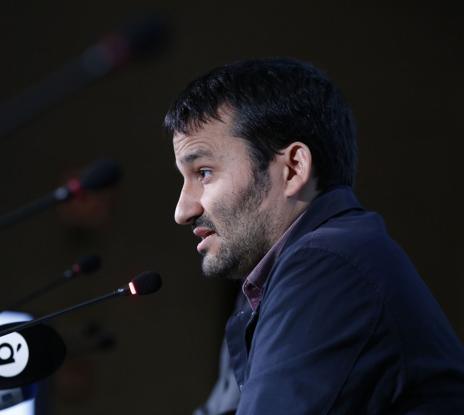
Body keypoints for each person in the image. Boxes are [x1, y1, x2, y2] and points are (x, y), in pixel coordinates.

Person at [165, 58, 464, 414]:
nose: (182, 211)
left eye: (204, 172)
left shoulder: (329, 264)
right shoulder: (267, 282)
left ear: (292, 169)